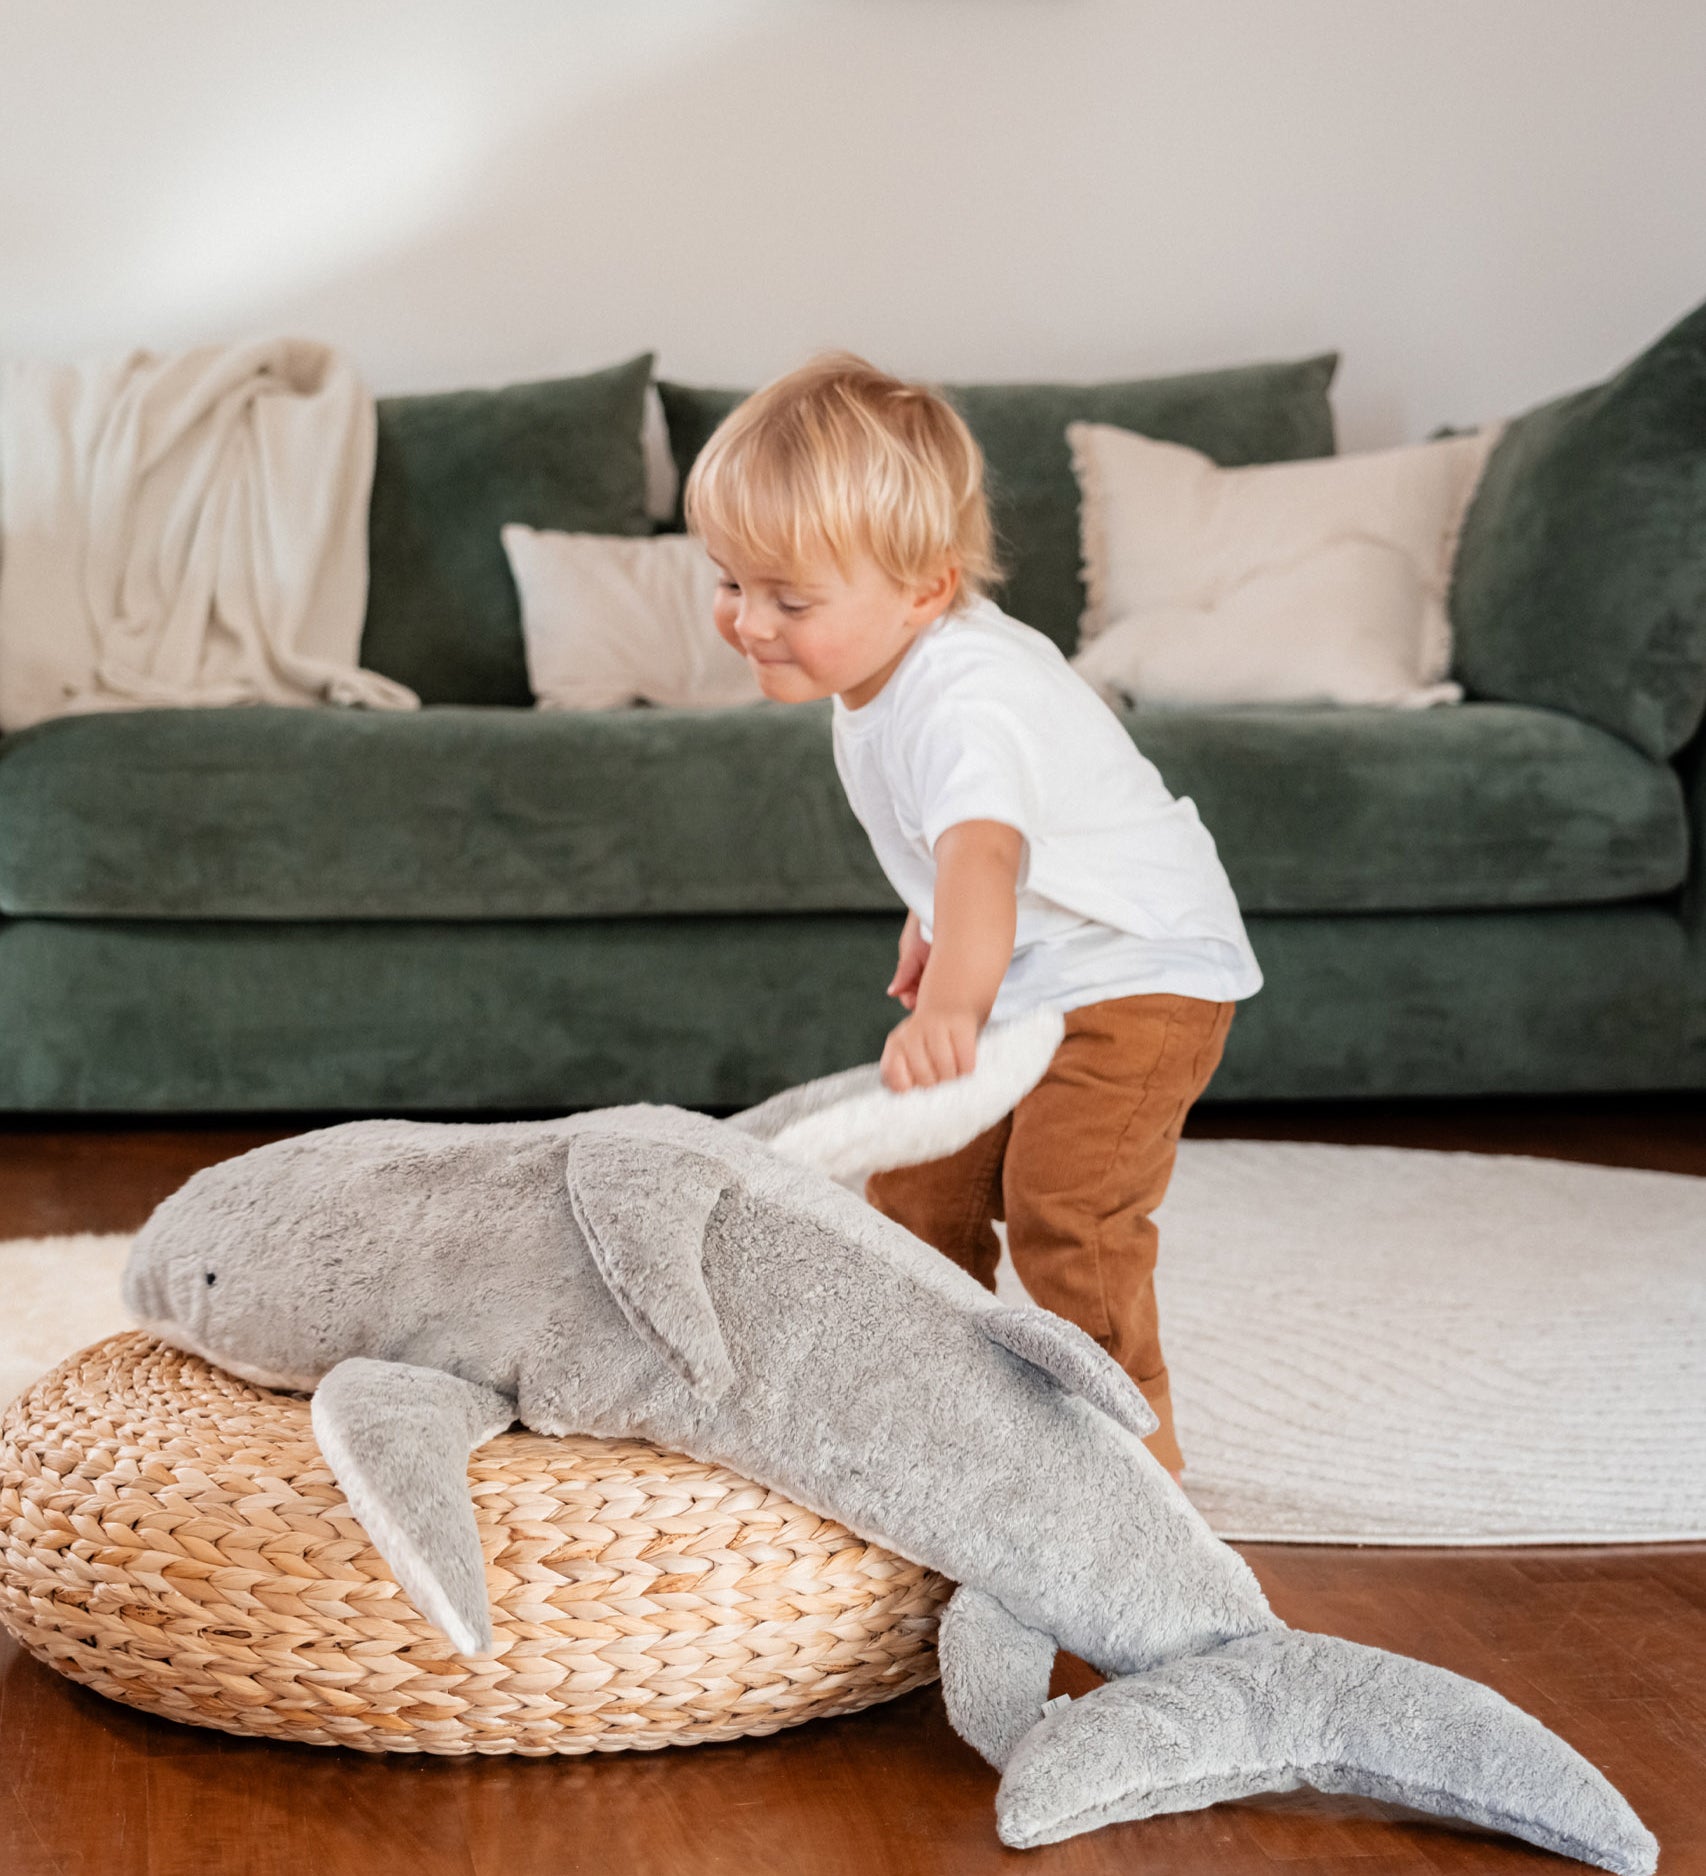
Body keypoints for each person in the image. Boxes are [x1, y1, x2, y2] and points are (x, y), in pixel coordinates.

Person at [683, 353, 1261, 1476]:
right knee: (920, 1182)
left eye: (790, 599)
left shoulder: (965, 697)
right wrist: (933, 918)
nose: (749, 622)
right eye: (730, 582)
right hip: (1035, 960)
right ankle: (946, 1414)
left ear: (923, 589)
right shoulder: (878, 668)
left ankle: (1131, 1466)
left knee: (1068, 1207)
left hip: (1141, 970)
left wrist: (953, 1001)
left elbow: (984, 849)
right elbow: (957, 852)